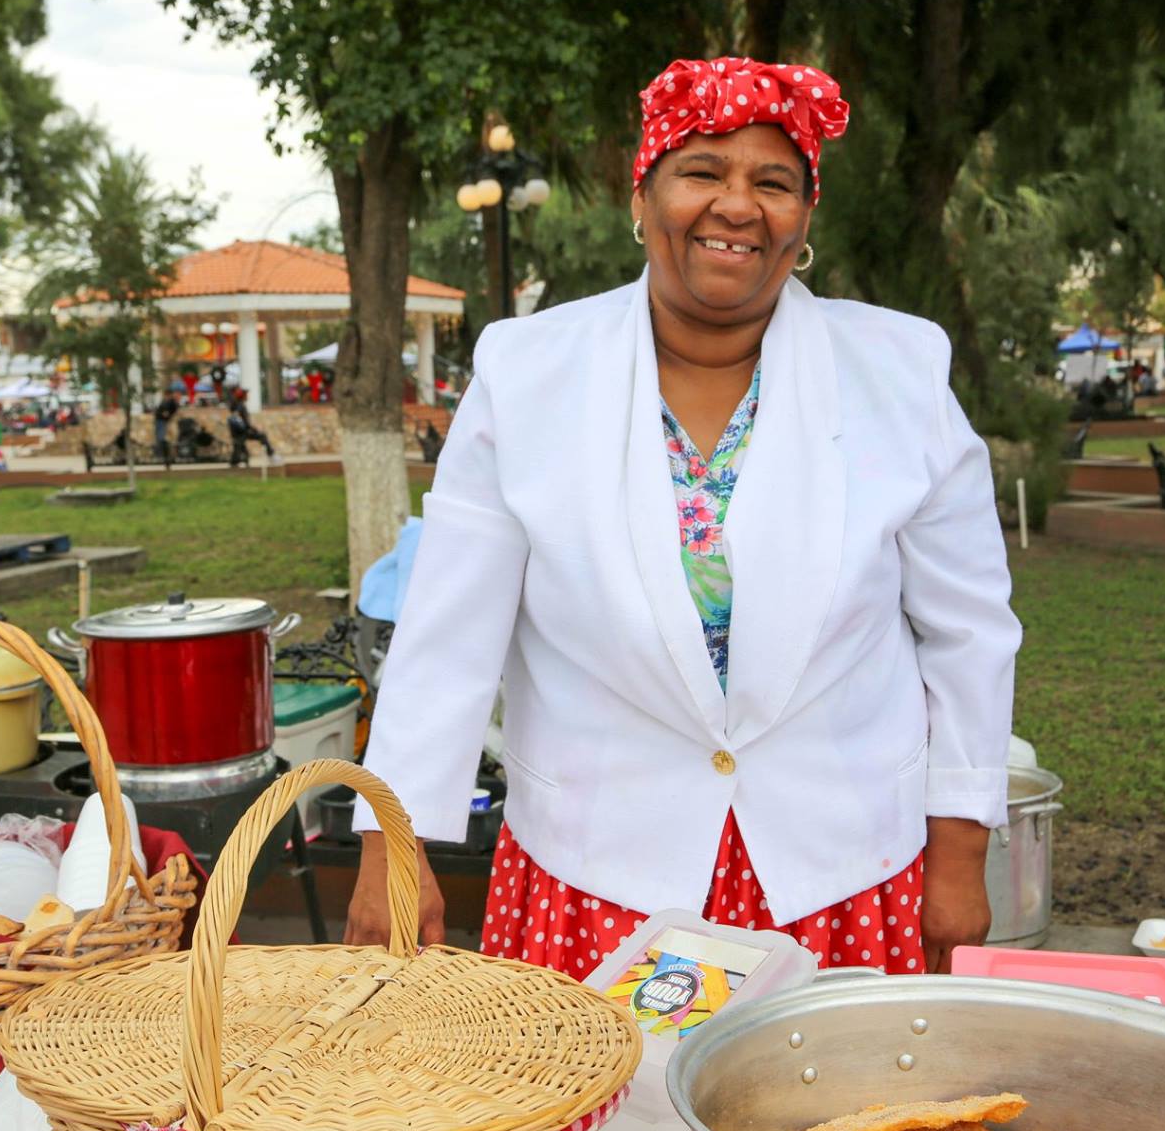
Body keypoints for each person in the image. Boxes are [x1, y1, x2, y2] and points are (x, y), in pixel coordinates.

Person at [346, 56, 1020, 980]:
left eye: (773, 182)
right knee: (608, 1127)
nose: (737, 206)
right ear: (644, 196)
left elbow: (969, 632)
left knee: (830, 1126)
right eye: (702, 172)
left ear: (804, 219)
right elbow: (446, 636)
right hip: (595, 879)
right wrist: (395, 837)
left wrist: (960, 851)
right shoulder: (527, 373)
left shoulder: (899, 373)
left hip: (844, 881)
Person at [226, 393, 279, 467]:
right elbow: (245, 422)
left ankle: (236, 461)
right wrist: (254, 429)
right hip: (242, 431)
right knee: (262, 436)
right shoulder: (241, 406)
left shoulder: (238, 405)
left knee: (239, 448)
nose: (248, 396)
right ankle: (271, 455)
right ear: (243, 396)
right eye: (246, 394)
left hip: (238, 432)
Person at [152, 390, 179, 466]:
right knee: (162, 440)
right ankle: (166, 458)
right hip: (161, 421)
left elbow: (169, 412)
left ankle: (167, 458)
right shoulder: (165, 402)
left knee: (163, 439)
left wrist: (167, 414)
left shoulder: (170, 402)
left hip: (163, 422)